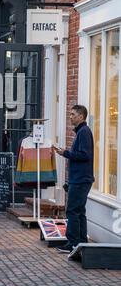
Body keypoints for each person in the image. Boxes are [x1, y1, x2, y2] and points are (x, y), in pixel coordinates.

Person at [53, 105, 94, 253]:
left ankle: (73, 243)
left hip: (81, 179)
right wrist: (66, 152)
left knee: (72, 211)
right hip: (81, 179)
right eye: (70, 114)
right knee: (79, 211)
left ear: (81, 116)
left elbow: (84, 155)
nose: (70, 117)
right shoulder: (82, 132)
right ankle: (82, 243)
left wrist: (66, 153)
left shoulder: (84, 132)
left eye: (73, 114)